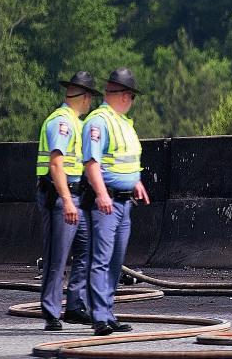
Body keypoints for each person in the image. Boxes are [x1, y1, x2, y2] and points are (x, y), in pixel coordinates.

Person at [82, 68, 150, 336]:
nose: (132, 101)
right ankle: (99, 316)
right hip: (106, 201)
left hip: (123, 202)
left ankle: (107, 311)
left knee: (114, 260)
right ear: (124, 95)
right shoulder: (98, 122)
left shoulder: (122, 122)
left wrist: (136, 181)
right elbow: (92, 163)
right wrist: (100, 194)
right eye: (132, 96)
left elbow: (125, 160)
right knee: (100, 259)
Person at [36, 71, 96, 330]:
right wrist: (67, 200)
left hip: (74, 196)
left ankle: (74, 306)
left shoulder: (74, 122)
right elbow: (56, 164)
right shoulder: (62, 122)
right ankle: (51, 312)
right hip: (61, 197)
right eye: (91, 97)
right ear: (85, 97)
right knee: (57, 256)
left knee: (85, 249)